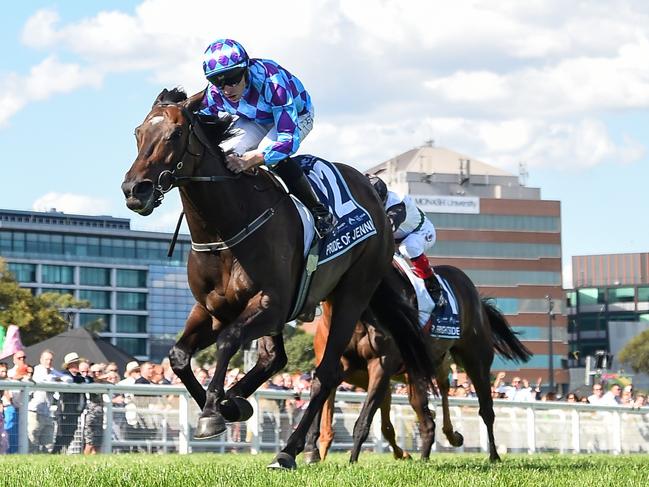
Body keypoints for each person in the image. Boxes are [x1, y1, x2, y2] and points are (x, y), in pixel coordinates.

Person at [196, 38, 334, 238]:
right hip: (256, 118)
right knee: (226, 156)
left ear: (246, 69)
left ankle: (320, 213)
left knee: (272, 157)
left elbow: (287, 141)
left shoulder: (273, 82)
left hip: (295, 115)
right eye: (218, 81)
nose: (226, 89)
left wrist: (251, 160)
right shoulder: (215, 94)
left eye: (233, 79)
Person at [370, 177, 446, 308]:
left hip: (420, 232)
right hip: (395, 240)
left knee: (408, 247)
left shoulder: (397, 204)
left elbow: (387, 228)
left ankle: (433, 285)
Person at [28, 350, 62, 453]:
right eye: (46, 359)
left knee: (48, 442)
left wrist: (56, 379)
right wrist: (55, 380)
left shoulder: (52, 371)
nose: (49, 362)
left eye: (51, 359)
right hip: (34, 411)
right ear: (41, 360)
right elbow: (40, 380)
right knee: (32, 441)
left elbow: (67, 378)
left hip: (47, 412)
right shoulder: (36, 370)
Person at [52, 352, 86, 453]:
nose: (76, 366)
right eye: (74, 363)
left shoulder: (79, 377)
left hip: (75, 410)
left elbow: (81, 380)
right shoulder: (64, 375)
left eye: (77, 363)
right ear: (68, 365)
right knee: (61, 433)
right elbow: (72, 380)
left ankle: (62, 451)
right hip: (64, 410)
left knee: (70, 433)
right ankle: (56, 452)